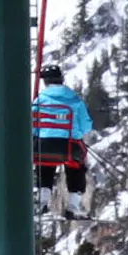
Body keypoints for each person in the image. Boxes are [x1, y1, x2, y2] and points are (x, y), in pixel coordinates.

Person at [32, 70, 93, 222]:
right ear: (61, 79)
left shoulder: (39, 100)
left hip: (42, 147)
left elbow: (32, 125)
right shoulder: (74, 100)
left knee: (45, 164)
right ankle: (73, 206)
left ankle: (43, 202)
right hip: (68, 147)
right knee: (76, 166)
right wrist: (75, 134)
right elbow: (86, 125)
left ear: (45, 82)